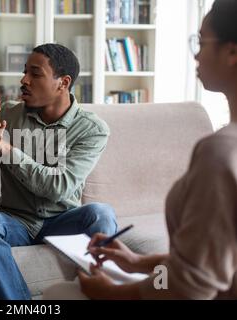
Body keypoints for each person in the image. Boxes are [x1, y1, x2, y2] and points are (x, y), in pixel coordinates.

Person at [43, 0, 237, 300]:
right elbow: (208, 266)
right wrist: (137, 262)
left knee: (57, 295)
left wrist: (113, 293)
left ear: (232, 51)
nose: (196, 53)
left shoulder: (220, 152)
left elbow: (193, 288)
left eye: (202, 41)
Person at [0, 43, 118, 300]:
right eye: (25, 72)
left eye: (35, 74)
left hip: (63, 220)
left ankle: (106, 295)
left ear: (63, 82)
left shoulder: (92, 129)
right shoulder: (9, 114)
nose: (24, 80)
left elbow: (58, 187)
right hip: (16, 221)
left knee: (101, 214)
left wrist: (5, 148)